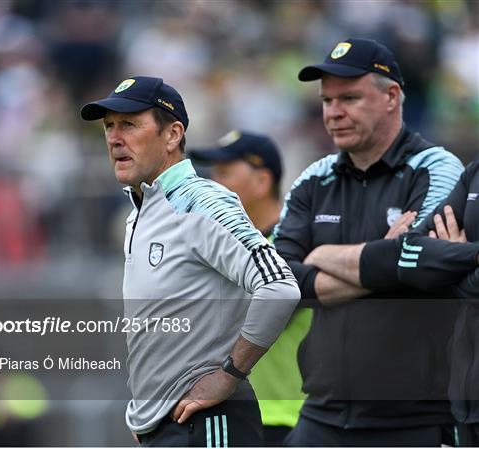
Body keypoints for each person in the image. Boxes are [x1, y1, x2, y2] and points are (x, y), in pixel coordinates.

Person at [80, 76, 300, 447]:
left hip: (209, 423)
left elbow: (279, 287)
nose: (115, 138)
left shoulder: (201, 202)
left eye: (130, 124)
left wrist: (229, 374)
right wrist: (146, 410)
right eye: (109, 126)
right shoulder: (140, 213)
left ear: (172, 135)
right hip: (169, 425)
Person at [273, 38, 464, 446]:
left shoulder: (436, 167)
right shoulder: (313, 178)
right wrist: (384, 257)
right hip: (323, 413)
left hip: (416, 419)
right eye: (327, 101)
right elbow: (279, 281)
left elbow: (420, 263)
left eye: (350, 98)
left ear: (391, 96)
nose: (334, 113)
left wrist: (320, 256)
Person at [189, 131, 312, 446]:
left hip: (288, 418)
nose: (213, 184)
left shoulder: (293, 245)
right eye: (213, 174)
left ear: (261, 182)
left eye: (226, 173)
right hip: (238, 416)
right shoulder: (223, 250)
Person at [397, 156, 479, 447]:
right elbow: (409, 256)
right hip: (465, 405)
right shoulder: (475, 169)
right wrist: (472, 257)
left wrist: (451, 267)